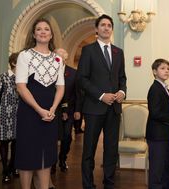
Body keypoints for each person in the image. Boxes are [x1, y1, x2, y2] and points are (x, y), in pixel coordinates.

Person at [77, 14, 127, 189]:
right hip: (94, 107)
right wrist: (101, 95)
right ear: (96, 29)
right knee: (89, 150)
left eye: (109, 25)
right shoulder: (88, 50)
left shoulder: (118, 52)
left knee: (111, 150)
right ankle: (88, 185)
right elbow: (82, 79)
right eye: (103, 25)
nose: (106, 28)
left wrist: (122, 92)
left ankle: (109, 183)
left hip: (114, 109)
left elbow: (122, 78)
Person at [15, 18, 64, 189]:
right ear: (34, 34)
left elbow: (60, 88)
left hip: (50, 114)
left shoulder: (58, 59)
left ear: (51, 35)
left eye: (46, 29)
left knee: (47, 154)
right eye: (39, 29)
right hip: (29, 112)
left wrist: (52, 109)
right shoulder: (25, 55)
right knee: (27, 154)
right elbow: (21, 87)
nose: (43, 32)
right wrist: (39, 110)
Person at [146, 58, 169, 189]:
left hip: (165, 134)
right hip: (157, 136)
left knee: (165, 167)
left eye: (168, 68)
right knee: (157, 170)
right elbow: (155, 113)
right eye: (162, 68)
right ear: (154, 71)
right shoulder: (155, 89)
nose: (166, 71)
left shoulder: (165, 89)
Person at [0, 52, 20, 183]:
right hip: (4, 114)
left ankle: (13, 167)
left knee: (16, 143)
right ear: (14, 63)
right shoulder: (3, 77)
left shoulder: (22, 79)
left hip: (18, 115)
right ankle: (5, 171)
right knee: (4, 142)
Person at [54, 48, 83, 172]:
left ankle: (62, 158)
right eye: (56, 57)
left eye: (61, 58)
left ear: (65, 60)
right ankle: (51, 163)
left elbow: (78, 93)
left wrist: (78, 110)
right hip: (53, 110)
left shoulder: (73, 73)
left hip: (70, 110)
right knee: (52, 138)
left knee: (67, 136)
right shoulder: (49, 72)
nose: (58, 60)